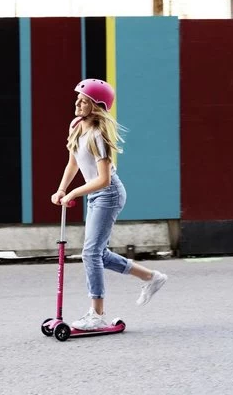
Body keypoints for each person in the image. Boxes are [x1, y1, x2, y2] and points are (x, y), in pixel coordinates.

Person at [51, 78, 168, 331]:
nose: (77, 104)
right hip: (96, 194)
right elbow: (73, 163)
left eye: (84, 101)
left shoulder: (98, 136)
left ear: (97, 107)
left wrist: (74, 193)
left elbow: (103, 180)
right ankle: (151, 277)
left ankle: (97, 314)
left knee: (90, 253)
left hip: (109, 193)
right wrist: (61, 189)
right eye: (78, 99)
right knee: (98, 254)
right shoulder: (76, 125)